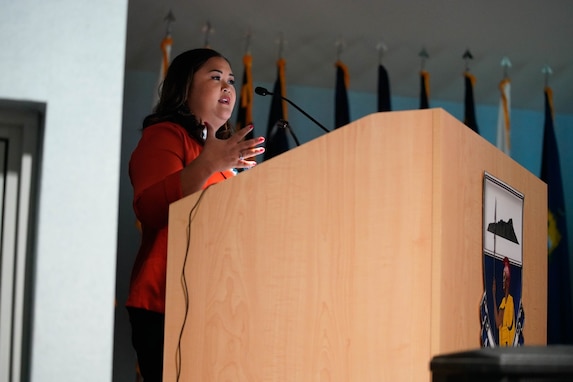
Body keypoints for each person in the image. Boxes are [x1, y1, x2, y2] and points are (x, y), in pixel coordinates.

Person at [126, 48, 265, 381]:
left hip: (217, 304)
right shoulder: (165, 136)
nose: (228, 87)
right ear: (185, 87)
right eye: (215, 77)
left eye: (231, 80)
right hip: (168, 301)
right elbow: (151, 209)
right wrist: (210, 164)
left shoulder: (222, 158)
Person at [492, 257, 515, 347]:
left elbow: (500, 322)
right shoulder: (507, 301)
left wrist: (493, 294)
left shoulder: (508, 301)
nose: (503, 281)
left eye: (504, 277)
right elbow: (499, 323)